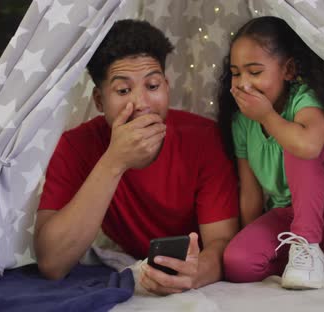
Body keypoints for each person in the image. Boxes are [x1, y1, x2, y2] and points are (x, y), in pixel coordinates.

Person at [34, 19, 239, 296]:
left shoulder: (204, 139)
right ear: (98, 100)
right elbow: (52, 263)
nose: (141, 103)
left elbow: (222, 241)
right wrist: (114, 161)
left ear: (167, 87)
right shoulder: (75, 146)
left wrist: (195, 273)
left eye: (152, 86)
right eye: (123, 91)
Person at [217, 16, 324, 289]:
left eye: (254, 72)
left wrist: (266, 116)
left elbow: (308, 146)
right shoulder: (241, 121)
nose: (243, 83)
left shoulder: (303, 98)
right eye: (236, 72)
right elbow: (250, 192)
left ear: (288, 70)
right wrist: (250, 235)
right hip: (286, 214)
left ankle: (309, 245)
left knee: (295, 140)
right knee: (237, 264)